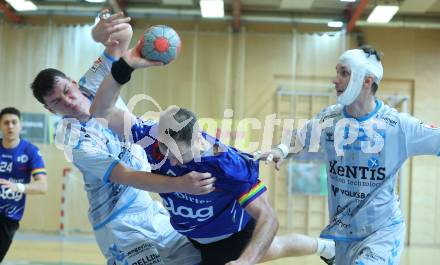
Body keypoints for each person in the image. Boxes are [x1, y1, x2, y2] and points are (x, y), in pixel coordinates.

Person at [89, 34, 336, 265]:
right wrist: (126, 65)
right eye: (167, 152)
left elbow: (269, 218)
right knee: (276, 248)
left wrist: (245, 261)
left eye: (179, 156)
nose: (172, 162)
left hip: (230, 238)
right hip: (192, 235)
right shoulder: (151, 137)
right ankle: (325, 246)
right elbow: (100, 111)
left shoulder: (228, 164)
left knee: (275, 247)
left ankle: (324, 246)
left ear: (197, 142)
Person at [30, 11, 216, 265]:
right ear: (50, 110)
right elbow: (124, 175)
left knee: (195, 259)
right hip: (117, 220)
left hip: (147, 204)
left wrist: (97, 34)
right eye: (56, 102)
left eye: (66, 91)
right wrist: (180, 184)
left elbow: (124, 35)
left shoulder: (94, 81)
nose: (68, 101)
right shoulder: (71, 138)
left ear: (73, 83)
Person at [256, 45, 439, 265]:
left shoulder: (398, 126)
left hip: (381, 233)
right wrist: (280, 150)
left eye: (343, 73)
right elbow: (300, 138)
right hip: (342, 234)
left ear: (367, 80)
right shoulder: (330, 118)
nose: (335, 80)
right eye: (337, 72)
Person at [0, 107, 48, 262]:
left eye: (14, 122)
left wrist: (18, 187)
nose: (10, 126)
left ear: (20, 125)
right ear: (1, 126)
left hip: (8, 217)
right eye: (6, 123)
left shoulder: (30, 151)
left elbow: (42, 186)